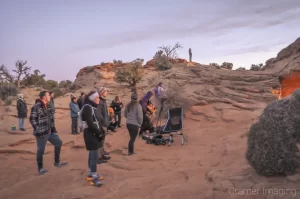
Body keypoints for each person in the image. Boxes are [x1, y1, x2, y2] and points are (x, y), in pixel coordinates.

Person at [29, 90, 67, 175]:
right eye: (48, 95)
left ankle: (57, 162)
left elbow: (50, 118)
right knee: (41, 150)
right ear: (44, 97)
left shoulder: (47, 105)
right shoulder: (36, 106)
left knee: (58, 143)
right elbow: (32, 119)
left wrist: (53, 128)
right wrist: (37, 129)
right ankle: (40, 169)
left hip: (50, 131)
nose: (50, 96)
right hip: (41, 133)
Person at [80, 91, 105, 187]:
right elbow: (90, 123)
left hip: (94, 132)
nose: (99, 99)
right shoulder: (87, 107)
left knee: (92, 153)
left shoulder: (94, 107)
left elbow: (98, 121)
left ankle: (91, 173)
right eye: (97, 98)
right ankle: (94, 176)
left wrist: (101, 131)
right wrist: (99, 133)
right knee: (94, 155)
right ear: (92, 99)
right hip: (90, 134)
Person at [96, 87, 111, 162]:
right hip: (101, 124)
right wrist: (103, 123)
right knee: (100, 140)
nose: (107, 93)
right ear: (102, 92)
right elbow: (99, 114)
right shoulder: (99, 101)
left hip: (104, 123)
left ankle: (102, 154)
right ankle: (99, 157)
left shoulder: (102, 101)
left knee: (102, 140)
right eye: (105, 91)